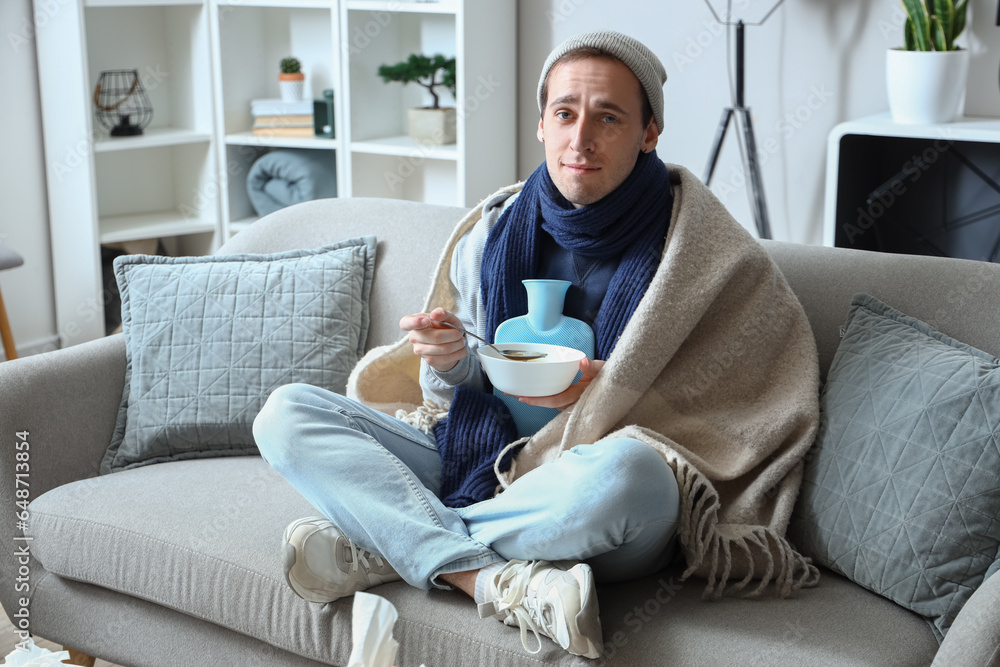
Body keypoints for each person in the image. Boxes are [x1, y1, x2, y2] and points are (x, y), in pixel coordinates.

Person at [254, 30, 821, 661]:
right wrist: (453, 362)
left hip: (593, 498)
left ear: (649, 132)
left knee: (632, 474)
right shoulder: (495, 229)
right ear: (542, 126)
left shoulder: (704, 252)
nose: (580, 139)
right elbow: (459, 397)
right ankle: (485, 577)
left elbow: (744, 404)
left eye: (608, 118)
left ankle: (387, 540)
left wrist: (618, 392)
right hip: (486, 460)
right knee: (288, 412)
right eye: (565, 114)